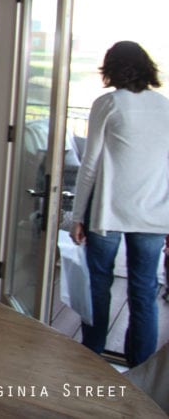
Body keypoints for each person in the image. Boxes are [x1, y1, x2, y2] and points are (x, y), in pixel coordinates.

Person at [70, 40, 169, 367]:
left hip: (107, 213)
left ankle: (92, 362)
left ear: (111, 68)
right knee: (144, 293)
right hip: (153, 215)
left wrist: (77, 215)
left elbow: (90, 165)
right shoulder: (165, 106)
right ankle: (139, 371)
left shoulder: (108, 103)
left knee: (98, 285)